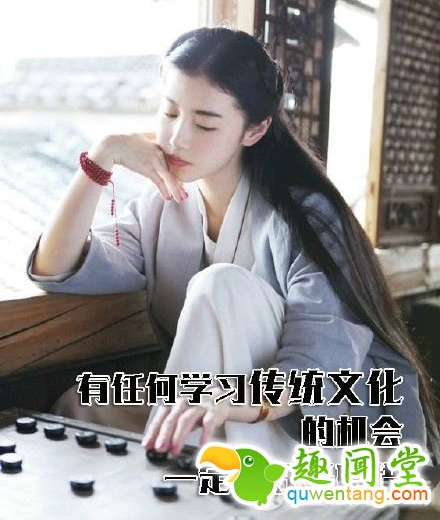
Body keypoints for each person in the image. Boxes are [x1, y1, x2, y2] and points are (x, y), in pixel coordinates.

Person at [27, 27, 439, 468]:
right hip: (212, 402)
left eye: (205, 123)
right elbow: (57, 267)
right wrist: (101, 157)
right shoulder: (161, 205)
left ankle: (188, 470)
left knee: (221, 285)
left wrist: (226, 399)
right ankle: (187, 455)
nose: (178, 138)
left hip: (312, 425)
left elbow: (317, 372)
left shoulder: (307, 217)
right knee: (81, 408)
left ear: (255, 129)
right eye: (169, 112)